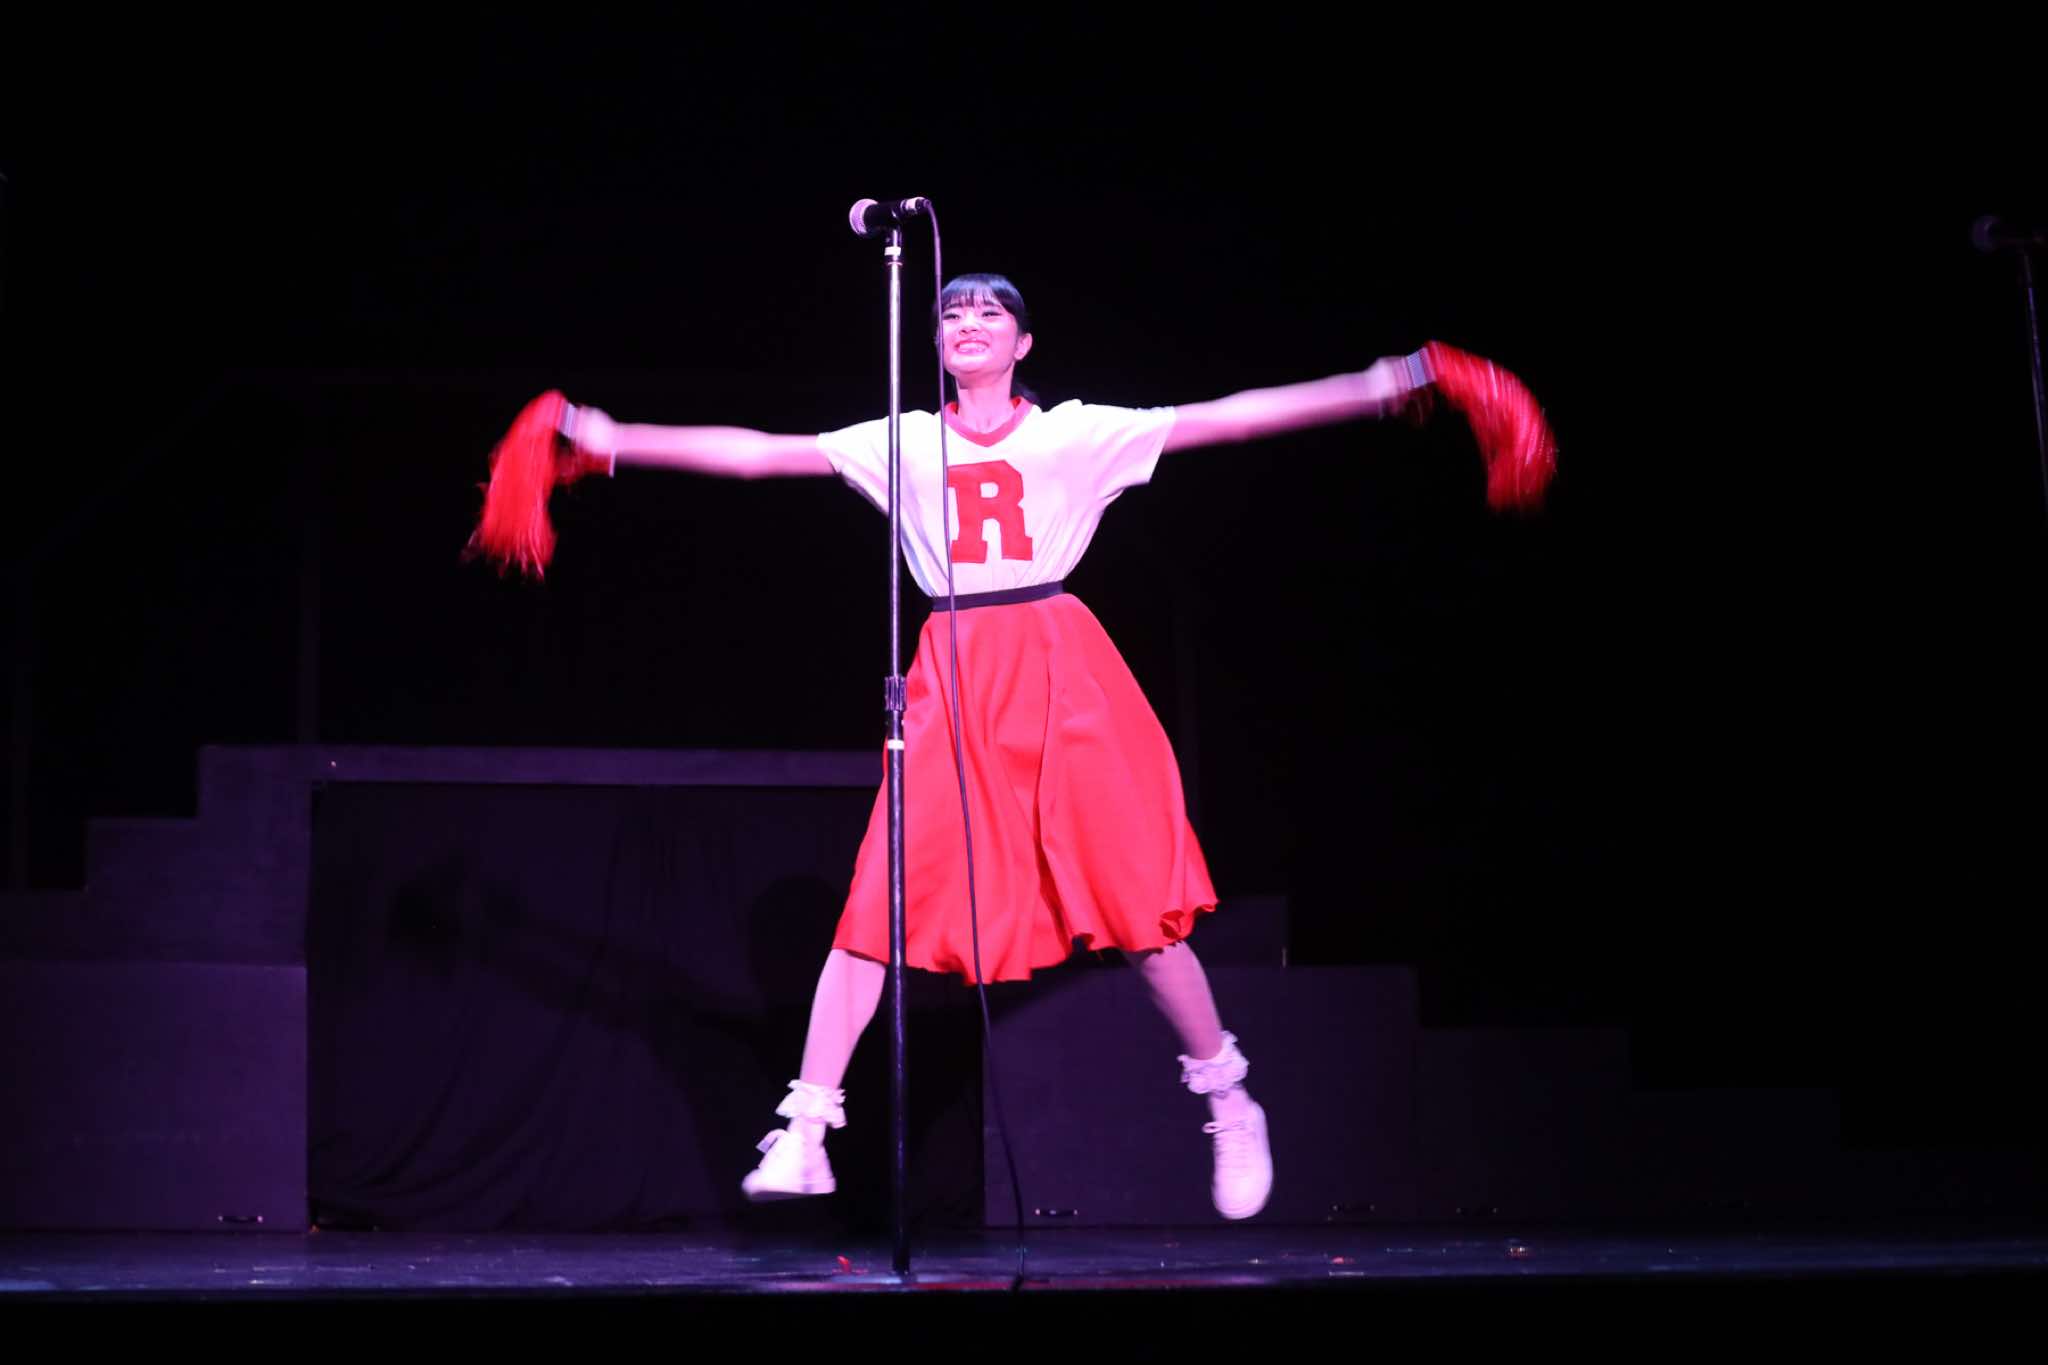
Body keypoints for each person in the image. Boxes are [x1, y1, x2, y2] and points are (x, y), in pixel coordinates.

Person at [548, 272, 1438, 1221]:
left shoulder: (1075, 434)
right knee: (880, 900)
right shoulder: (903, 441)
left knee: (1135, 905)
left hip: (1060, 674)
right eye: (951, 313)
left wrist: (1383, 383)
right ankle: (806, 1130)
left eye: (990, 313)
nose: (967, 323)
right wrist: (612, 440)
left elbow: (1231, 418)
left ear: (1022, 344)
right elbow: (759, 456)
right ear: (935, 342)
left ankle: (1227, 1095)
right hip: (954, 678)